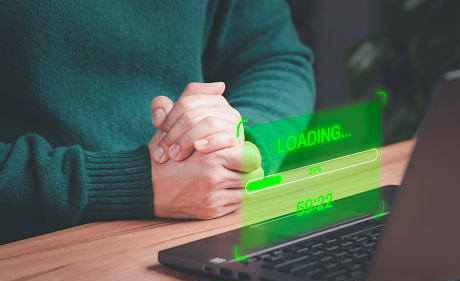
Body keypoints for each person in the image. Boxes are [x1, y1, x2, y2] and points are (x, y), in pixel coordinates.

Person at [0, 0, 315, 245]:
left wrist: (235, 147)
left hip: (194, 231)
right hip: (32, 251)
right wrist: (135, 180)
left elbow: (274, 59)